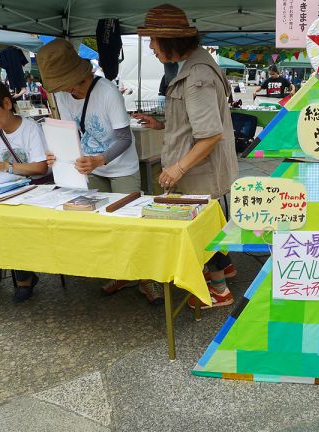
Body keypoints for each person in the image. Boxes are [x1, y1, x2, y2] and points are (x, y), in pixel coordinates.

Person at [135, 4, 239, 309]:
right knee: (214, 223)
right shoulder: (196, 66)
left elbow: (210, 134)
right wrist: (162, 124)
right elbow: (195, 122)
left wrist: (178, 168)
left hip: (201, 174)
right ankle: (226, 269)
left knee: (206, 228)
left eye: (153, 39)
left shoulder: (196, 77)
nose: (151, 46)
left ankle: (219, 289)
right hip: (204, 171)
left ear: (169, 41)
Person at [37, 39, 144, 297]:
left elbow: (124, 138)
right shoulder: (62, 93)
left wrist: (99, 160)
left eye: (64, 84)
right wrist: (57, 152)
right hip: (90, 169)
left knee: (130, 225)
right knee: (101, 224)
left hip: (120, 168)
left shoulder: (107, 92)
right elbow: (68, 130)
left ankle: (145, 277)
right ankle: (120, 274)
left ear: (76, 76)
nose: (63, 91)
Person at [0, 79, 48, 302]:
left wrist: (5, 166)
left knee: (15, 226)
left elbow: (40, 167)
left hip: (37, 189)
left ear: (6, 103)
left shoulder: (31, 128)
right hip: (8, 189)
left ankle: (24, 278)